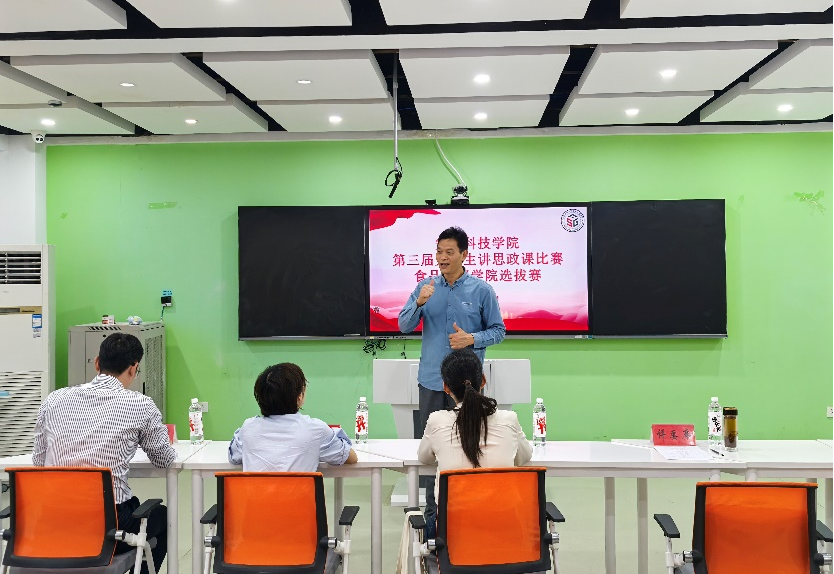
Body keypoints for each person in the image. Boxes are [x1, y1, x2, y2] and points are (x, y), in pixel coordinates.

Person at [33, 333, 176, 574]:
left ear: (97, 362)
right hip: (108, 531)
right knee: (161, 516)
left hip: (52, 524)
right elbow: (164, 459)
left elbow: (39, 463)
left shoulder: (54, 399)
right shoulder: (140, 405)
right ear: (134, 368)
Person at [399, 226, 506, 533]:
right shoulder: (425, 287)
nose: (442, 258)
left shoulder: (482, 290)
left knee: (471, 443)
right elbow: (404, 325)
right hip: (432, 380)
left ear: (464, 254)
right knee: (432, 450)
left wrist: (472, 338)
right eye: (439, 252)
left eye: (449, 252)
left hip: (467, 386)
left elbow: (498, 331)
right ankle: (433, 516)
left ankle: (470, 510)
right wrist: (419, 303)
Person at [417, 348, 532, 536]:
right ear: (483, 380)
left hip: (454, 534)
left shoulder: (437, 420)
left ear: (446, 387)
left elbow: (424, 458)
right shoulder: (509, 419)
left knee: (428, 524)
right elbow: (524, 457)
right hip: (505, 530)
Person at [228, 362, 358, 471]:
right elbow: (351, 457)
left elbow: (234, 457)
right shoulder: (315, 429)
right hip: (301, 495)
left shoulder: (248, 427)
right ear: (299, 396)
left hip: (255, 495)